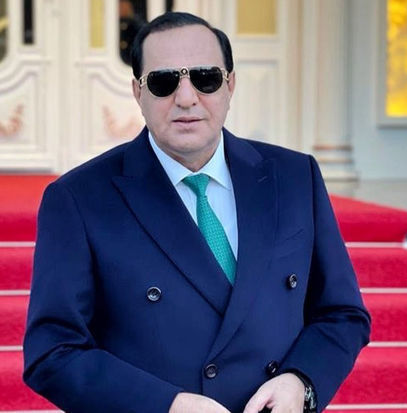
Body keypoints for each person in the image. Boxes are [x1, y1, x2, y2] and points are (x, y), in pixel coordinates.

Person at [23, 12, 370, 413]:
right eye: (163, 82)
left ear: (230, 84)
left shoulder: (294, 177)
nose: (186, 98)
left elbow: (342, 312)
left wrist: (302, 382)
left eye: (206, 78)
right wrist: (166, 405)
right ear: (138, 92)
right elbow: (53, 352)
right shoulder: (79, 199)